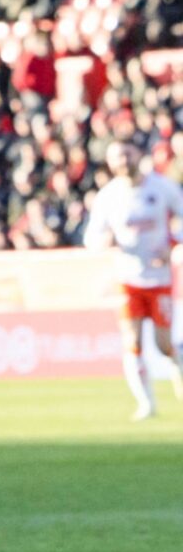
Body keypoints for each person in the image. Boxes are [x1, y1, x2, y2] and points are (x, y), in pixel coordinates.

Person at [82, 140, 183, 420]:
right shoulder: (108, 196)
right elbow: (91, 237)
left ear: (139, 155)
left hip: (159, 277)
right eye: (116, 157)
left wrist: (173, 242)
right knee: (132, 341)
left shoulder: (162, 188)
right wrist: (102, 241)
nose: (122, 161)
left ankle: (177, 357)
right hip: (127, 278)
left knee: (163, 346)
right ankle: (147, 404)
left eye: (126, 154)